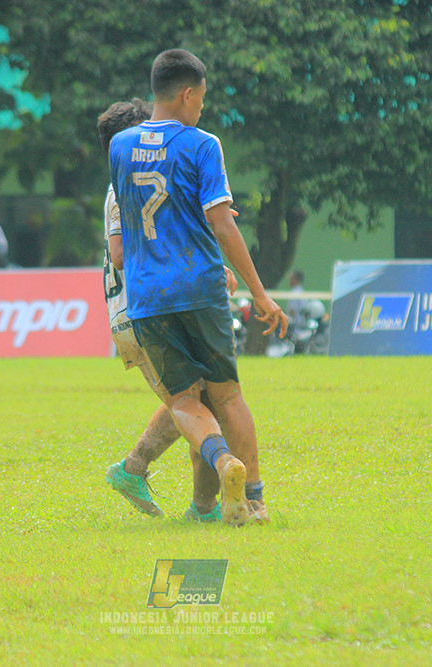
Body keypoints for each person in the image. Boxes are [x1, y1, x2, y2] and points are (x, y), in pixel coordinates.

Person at [109, 49, 288, 526]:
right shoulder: (202, 145)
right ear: (188, 94)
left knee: (184, 400)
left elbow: (126, 227)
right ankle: (254, 498)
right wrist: (259, 292)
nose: (203, 109)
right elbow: (222, 225)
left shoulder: (120, 146)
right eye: (202, 99)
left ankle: (221, 461)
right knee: (227, 396)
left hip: (147, 297)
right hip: (201, 287)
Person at [99, 98, 230, 523]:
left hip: (159, 302)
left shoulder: (139, 179)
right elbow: (120, 254)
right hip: (139, 309)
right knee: (191, 403)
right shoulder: (121, 189)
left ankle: (200, 507)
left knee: (198, 400)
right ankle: (135, 473)